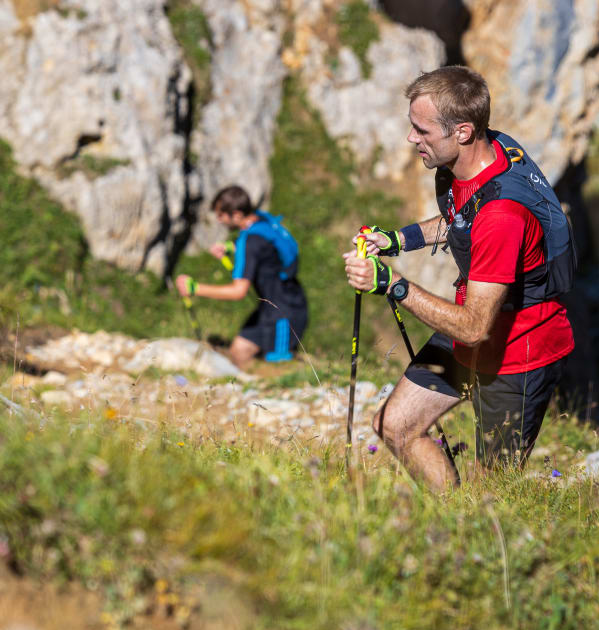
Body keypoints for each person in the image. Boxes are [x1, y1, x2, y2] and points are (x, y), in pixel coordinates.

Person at [344, 66, 575, 492]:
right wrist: (394, 240)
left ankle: (478, 538)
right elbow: (460, 218)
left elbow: (473, 326)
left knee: (494, 492)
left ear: (463, 132)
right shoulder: (485, 156)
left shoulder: (503, 216)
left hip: (518, 353)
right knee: (395, 426)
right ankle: (450, 515)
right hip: (473, 327)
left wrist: (392, 285)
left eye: (421, 130)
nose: (412, 139)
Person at [176, 185, 307, 369]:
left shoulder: (250, 242)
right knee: (238, 352)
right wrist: (232, 248)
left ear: (236, 215)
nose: (218, 220)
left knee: (277, 369)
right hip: (273, 303)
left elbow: (239, 291)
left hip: (284, 312)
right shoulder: (261, 220)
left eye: (221, 215)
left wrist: (195, 288)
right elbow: (265, 250)